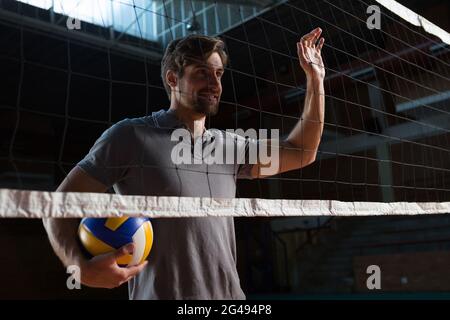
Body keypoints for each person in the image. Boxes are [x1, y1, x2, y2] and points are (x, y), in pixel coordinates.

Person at [43, 28, 325, 300]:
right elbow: (56, 208)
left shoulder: (229, 146)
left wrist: (316, 80)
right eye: (202, 73)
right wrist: (81, 269)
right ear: (173, 79)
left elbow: (301, 152)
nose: (215, 84)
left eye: (218, 73)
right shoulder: (131, 137)